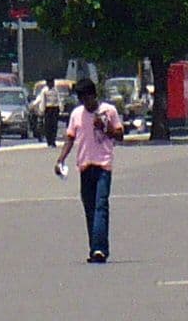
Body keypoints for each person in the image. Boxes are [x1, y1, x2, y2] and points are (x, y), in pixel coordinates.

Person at [52, 75, 121, 265]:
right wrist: (60, 160)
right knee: (90, 209)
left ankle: (99, 248)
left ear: (93, 95)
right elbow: (70, 138)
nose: (84, 103)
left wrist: (105, 127)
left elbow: (120, 134)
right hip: (85, 166)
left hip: (103, 166)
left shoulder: (109, 111)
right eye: (81, 99)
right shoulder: (76, 114)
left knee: (100, 206)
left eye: (86, 98)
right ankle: (96, 248)